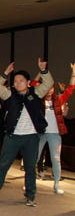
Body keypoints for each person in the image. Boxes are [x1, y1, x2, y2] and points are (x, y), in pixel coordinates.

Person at [0, 59, 53, 206]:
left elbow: (48, 84)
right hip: (12, 137)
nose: (17, 83)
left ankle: (30, 196)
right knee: (4, 165)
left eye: (21, 81)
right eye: (15, 81)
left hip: (31, 138)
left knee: (30, 168)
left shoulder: (36, 93)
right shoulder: (9, 95)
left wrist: (43, 71)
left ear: (28, 82)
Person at [35, 63, 74, 194]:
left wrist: (73, 71)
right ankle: (30, 183)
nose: (50, 90)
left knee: (56, 159)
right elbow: (32, 85)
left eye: (52, 88)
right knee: (34, 157)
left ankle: (56, 184)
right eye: (48, 88)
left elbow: (70, 89)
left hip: (55, 133)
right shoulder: (38, 100)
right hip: (40, 133)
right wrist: (41, 71)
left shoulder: (58, 100)